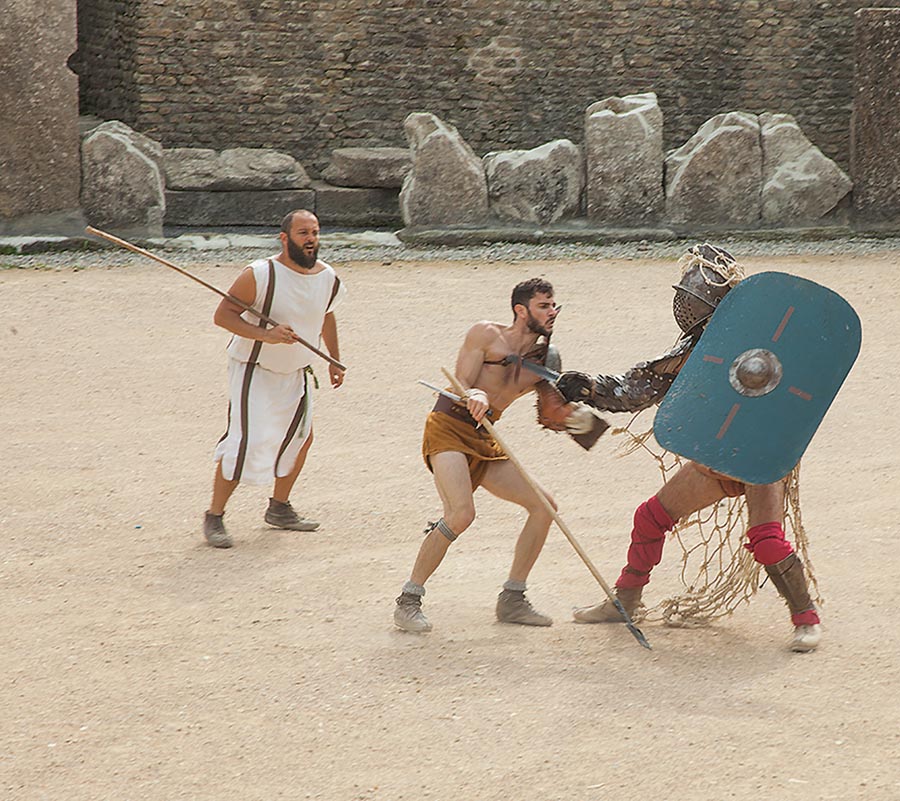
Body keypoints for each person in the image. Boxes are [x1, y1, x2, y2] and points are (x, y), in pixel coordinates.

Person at [555, 244, 823, 652]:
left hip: (760, 457)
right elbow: (637, 388)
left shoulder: (763, 342)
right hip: (716, 458)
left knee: (766, 538)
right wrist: (590, 388)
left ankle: (807, 620)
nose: (682, 305)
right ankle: (625, 601)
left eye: (690, 299)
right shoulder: (690, 353)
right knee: (650, 518)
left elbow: (801, 387)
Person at [394, 278, 597, 634]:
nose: (552, 313)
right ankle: (408, 601)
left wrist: (580, 420)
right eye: (544, 306)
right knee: (461, 514)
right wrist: (476, 393)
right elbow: (461, 381)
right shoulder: (485, 334)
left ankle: (512, 599)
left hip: (487, 437)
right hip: (449, 426)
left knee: (544, 506)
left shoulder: (545, 358)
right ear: (521, 310)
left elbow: (551, 412)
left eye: (554, 306)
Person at [202, 209, 345, 548]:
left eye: (315, 232)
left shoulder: (328, 277)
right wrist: (266, 334)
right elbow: (223, 316)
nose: (310, 239)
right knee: (244, 440)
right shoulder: (260, 274)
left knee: (300, 438)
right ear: (284, 238)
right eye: (302, 233)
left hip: (296, 369)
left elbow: (326, 315)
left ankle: (279, 508)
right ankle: (215, 516)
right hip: (254, 367)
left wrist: (334, 359)